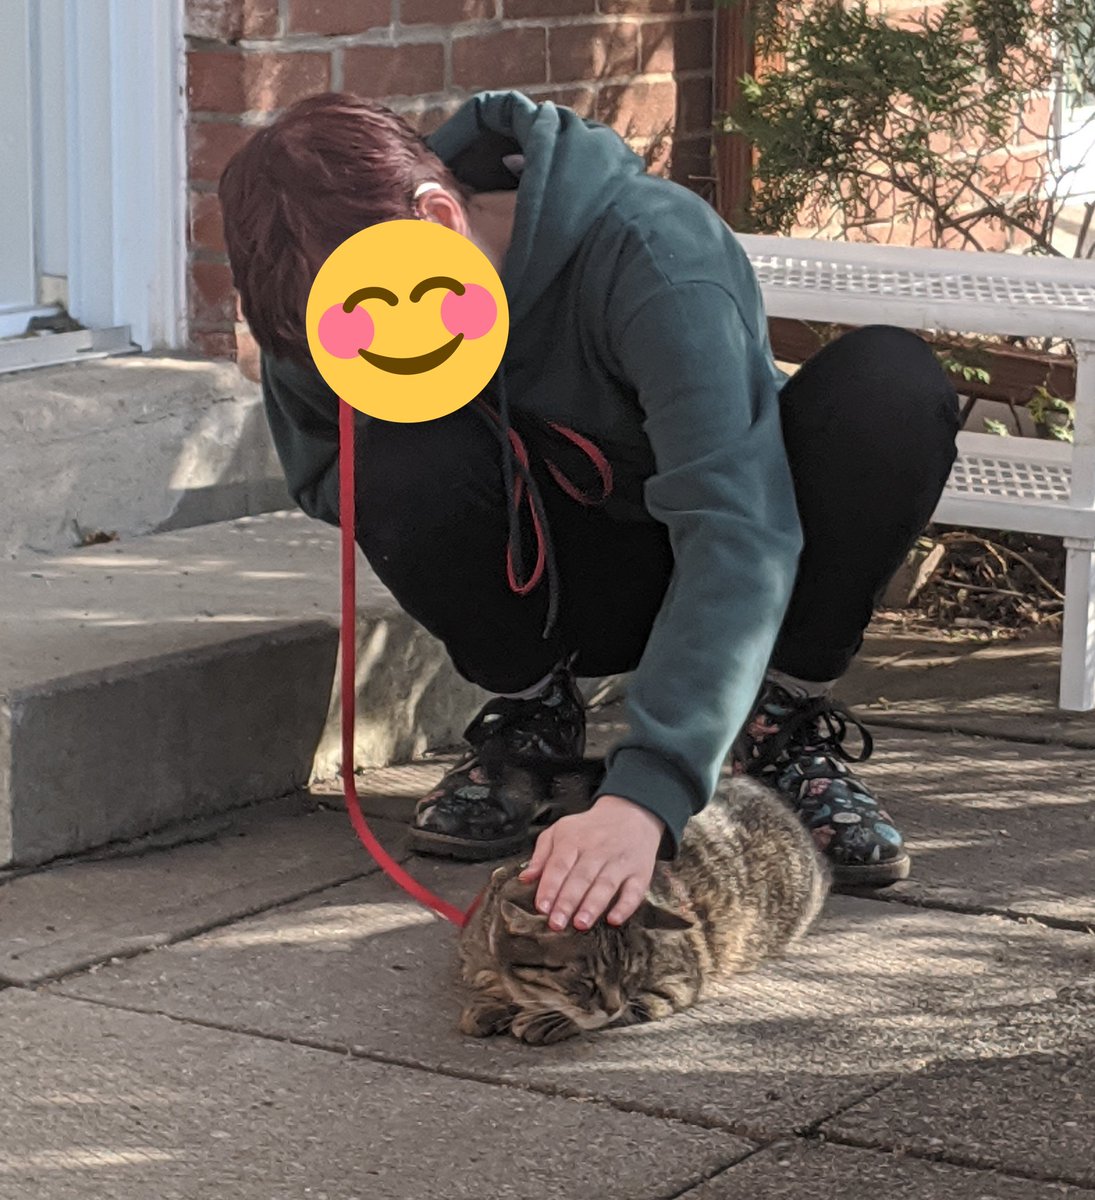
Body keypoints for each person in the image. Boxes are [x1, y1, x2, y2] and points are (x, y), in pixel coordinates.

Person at [219, 89, 960, 937]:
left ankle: (773, 717)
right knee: (386, 456)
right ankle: (533, 714)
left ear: (436, 216)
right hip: (567, 581)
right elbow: (332, 481)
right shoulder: (331, 290)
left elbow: (733, 523)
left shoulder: (648, 247)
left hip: (732, 558)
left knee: (888, 388)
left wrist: (647, 794)